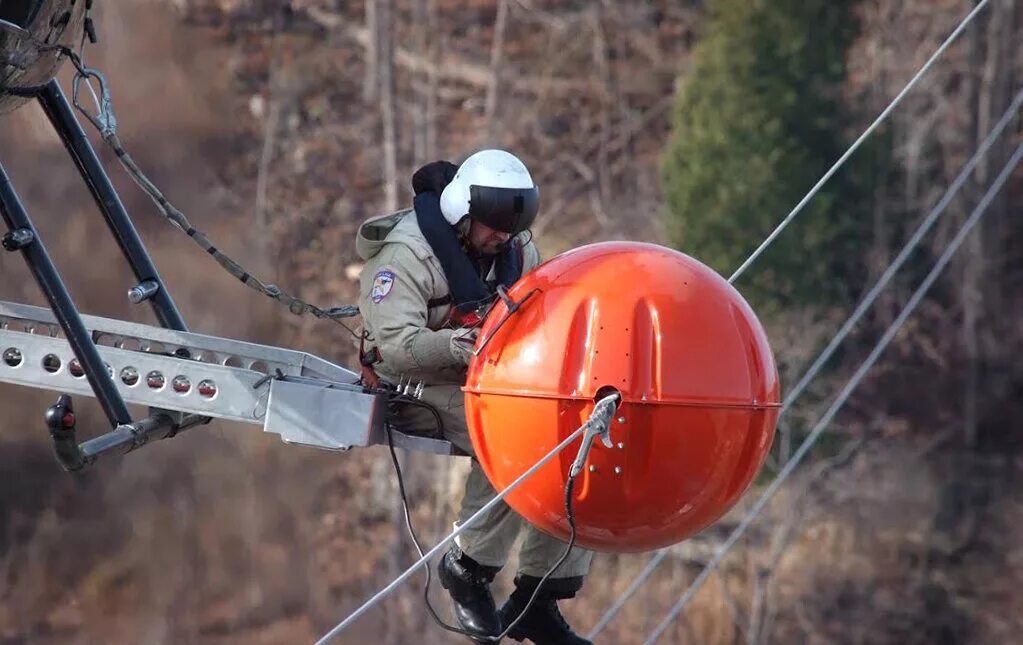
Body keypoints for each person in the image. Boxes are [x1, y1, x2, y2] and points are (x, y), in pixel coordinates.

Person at [355, 150, 593, 645]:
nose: (502, 237)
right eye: (491, 227)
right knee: (521, 438)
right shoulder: (406, 257)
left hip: (490, 377)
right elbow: (396, 349)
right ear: (461, 213)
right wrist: (463, 346)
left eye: (510, 227)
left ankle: (538, 596)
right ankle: (468, 568)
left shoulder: (515, 252)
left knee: (580, 435)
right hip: (414, 385)